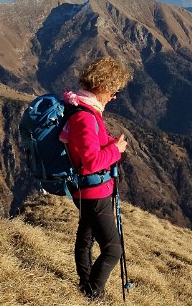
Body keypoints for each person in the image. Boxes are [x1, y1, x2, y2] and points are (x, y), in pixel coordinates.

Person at [60, 56, 131, 300]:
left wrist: (111, 143)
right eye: (113, 91)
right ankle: (94, 294)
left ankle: (85, 286)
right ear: (101, 87)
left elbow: (90, 146)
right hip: (94, 192)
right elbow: (90, 162)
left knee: (86, 238)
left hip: (86, 190)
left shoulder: (83, 109)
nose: (114, 97)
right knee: (112, 249)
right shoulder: (84, 116)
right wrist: (116, 151)